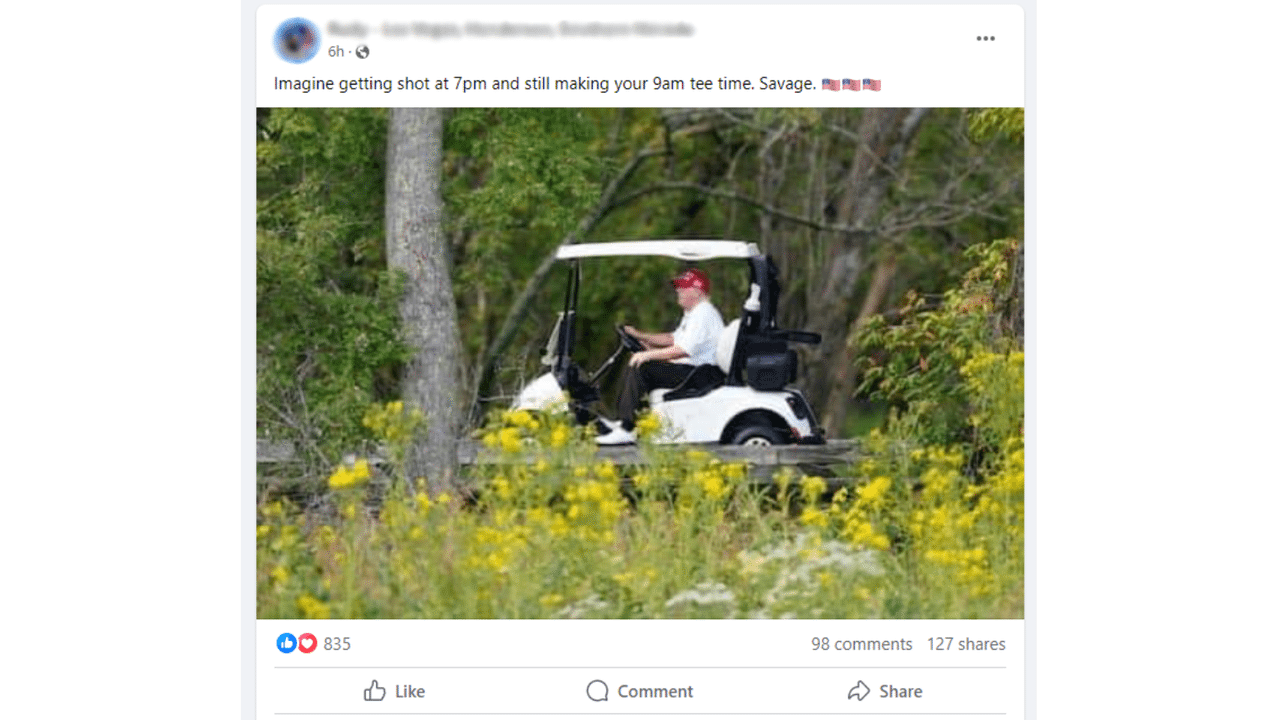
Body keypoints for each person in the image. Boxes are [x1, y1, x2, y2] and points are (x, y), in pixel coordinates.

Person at [596, 268, 725, 445]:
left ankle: (627, 428)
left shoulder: (704, 313)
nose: (678, 291)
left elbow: (683, 349)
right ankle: (627, 422)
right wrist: (640, 336)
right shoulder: (694, 314)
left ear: (696, 291)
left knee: (643, 367)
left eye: (683, 288)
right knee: (640, 362)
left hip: (700, 374)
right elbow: (673, 338)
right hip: (694, 370)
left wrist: (649, 355)